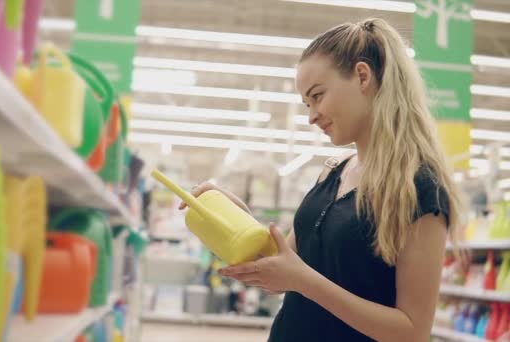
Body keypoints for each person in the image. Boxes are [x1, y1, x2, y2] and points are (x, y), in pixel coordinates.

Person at [180, 18, 463, 341]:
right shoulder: (332, 173)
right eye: (306, 103)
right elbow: (282, 265)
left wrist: (304, 282)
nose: (311, 115)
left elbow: (412, 331)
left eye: (318, 96)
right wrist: (232, 214)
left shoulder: (420, 189)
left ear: (362, 76)